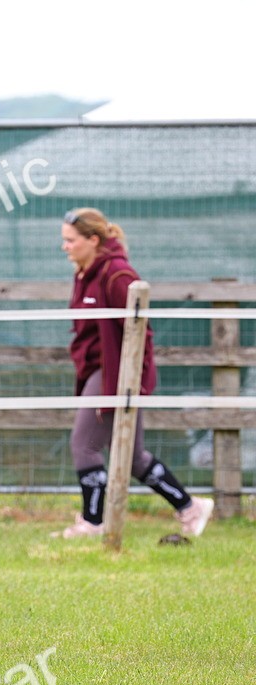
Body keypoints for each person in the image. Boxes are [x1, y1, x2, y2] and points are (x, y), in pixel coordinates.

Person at [56, 207, 213, 540]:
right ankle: (190, 507)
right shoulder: (85, 272)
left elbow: (141, 332)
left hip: (116, 375)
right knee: (132, 457)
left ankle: (92, 522)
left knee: (84, 445)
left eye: (70, 240)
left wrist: (130, 383)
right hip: (97, 371)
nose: (65, 247)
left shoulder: (117, 275)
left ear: (93, 240)